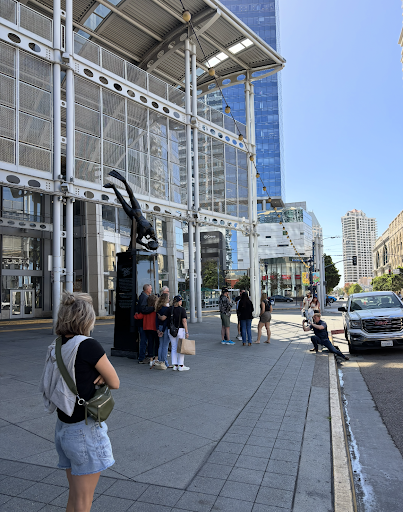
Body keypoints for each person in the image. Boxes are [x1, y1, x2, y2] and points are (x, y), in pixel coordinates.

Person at [40, 292, 120, 512]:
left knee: (75, 497)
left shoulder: (57, 344)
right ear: (87, 319)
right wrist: (102, 374)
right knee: (84, 502)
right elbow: (115, 382)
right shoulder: (88, 345)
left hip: (63, 427)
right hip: (84, 432)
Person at [135, 294, 159, 368]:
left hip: (147, 328)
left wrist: (136, 314)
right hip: (155, 328)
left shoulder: (146, 310)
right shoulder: (156, 310)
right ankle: (156, 358)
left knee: (150, 343)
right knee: (156, 343)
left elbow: (138, 316)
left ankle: (150, 359)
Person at [168, 295, 190, 371]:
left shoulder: (170, 309)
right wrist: (187, 331)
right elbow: (184, 321)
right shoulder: (182, 309)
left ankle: (175, 365)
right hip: (180, 330)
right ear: (179, 301)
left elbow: (164, 318)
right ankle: (181, 365)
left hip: (171, 330)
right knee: (181, 348)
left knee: (173, 347)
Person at [137, 284, 154, 364]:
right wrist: (152, 308)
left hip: (142, 323)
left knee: (144, 340)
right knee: (144, 340)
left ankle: (143, 356)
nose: (151, 290)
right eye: (150, 288)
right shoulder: (144, 297)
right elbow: (143, 309)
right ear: (147, 289)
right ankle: (141, 358)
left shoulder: (142, 296)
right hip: (142, 323)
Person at [155, 293, 170, 369]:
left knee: (161, 345)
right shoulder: (167, 309)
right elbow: (166, 321)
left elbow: (156, 320)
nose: (169, 299)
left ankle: (160, 361)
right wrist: (163, 331)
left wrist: (158, 329)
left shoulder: (158, 308)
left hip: (159, 327)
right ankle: (165, 362)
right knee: (165, 345)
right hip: (165, 328)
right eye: (168, 298)